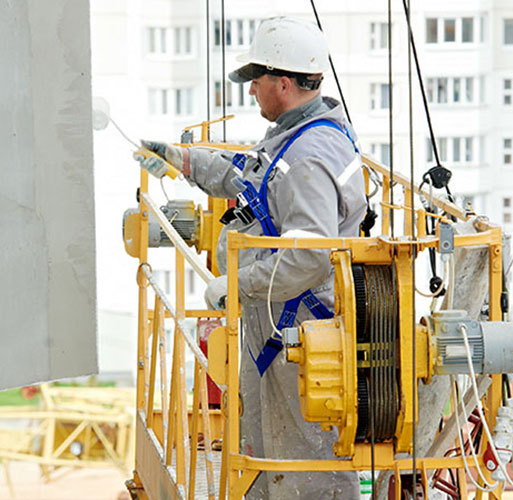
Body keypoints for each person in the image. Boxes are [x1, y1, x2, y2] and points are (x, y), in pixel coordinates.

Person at [136, 16, 366, 500]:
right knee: (263, 449)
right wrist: (183, 161)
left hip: (301, 330)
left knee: (304, 459)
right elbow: (251, 181)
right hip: (278, 321)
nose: (251, 90)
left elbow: (310, 258)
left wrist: (238, 284)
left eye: (256, 80)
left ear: (283, 83)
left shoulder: (309, 157)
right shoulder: (294, 134)